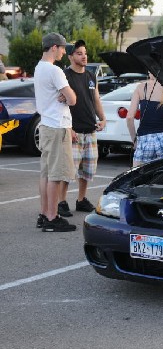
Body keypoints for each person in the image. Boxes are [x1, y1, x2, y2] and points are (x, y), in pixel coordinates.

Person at [56, 40, 107, 217]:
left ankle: (81, 200)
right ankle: (61, 202)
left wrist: (103, 118)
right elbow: (60, 104)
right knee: (68, 171)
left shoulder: (91, 76)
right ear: (70, 56)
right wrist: (68, 128)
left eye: (85, 53)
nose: (84, 56)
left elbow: (96, 99)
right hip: (73, 131)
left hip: (90, 130)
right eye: (79, 53)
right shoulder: (64, 76)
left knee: (87, 170)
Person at [34, 33, 77, 232]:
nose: (63, 51)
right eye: (62, 48)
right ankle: (52, 217)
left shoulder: (39, 68)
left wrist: (63, 95)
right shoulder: (55, 70)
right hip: (57, 126)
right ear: (53, 47)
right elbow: (73, 99)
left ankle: (44, 214)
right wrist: (66, 95)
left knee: (46, 173)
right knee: (56, 175)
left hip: (46, 125)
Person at [127, 73, 163, 167]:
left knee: (138, 177)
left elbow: (129, 117)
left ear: (150, 71)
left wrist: (135, 140)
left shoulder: (141, 87)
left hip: (144, 139)